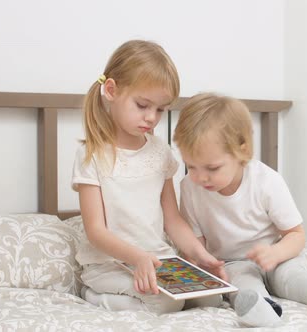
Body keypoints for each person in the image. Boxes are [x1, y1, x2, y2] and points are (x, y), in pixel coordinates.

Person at [174, 93, 307, 327]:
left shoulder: (265, 182)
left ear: (241, 151)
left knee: (292, 278)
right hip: (231, 263)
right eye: (191, 166)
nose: (201, 177)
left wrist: (276, 254)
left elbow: (296, 235)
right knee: (241, 281)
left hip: (277, 255)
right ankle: (261, 311)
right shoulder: (190, 188)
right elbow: (197, 246)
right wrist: (207, 267)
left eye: (212, 168)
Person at [71, 40, 225, 315]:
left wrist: (201, 256)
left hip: (158, 259)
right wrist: (137, 257)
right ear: (111, 90)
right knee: (164, 303)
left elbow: (173, 219)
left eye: (160, 109)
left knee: (211, 300)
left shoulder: (160, 152)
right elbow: (96, 231)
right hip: (109, 263)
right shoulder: (92, 155)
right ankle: (92, 296)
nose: (151, 118)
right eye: (142, 105)